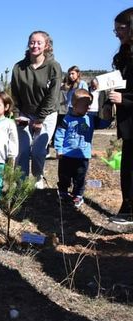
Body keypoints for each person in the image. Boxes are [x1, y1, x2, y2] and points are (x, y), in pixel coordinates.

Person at [10, 31, 62, 189]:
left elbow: (53, 95)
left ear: (47, 45)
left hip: (47, 114)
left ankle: (38, 177)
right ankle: (21, 184)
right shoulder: (19, 67)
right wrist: (17, 114)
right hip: (25, 113)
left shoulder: (53, 66)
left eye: (39, 42)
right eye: (32, 42)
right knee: (23, 150)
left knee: (39, 151)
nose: (35, 45)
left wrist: (40, 119)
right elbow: (15, 93)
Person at [54, 89, 112, 208]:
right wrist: (59, 149)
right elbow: (59, 134)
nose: (88, 107)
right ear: (74, 106)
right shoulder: (66, 119)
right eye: (85, 105)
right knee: (64, 175)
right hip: (66, 155)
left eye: (89, 104)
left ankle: (78, 195)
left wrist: (108, 116)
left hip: (82, 156)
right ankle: (63, 192)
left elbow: (104, 124)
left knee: (79, 177)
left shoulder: (90, 119)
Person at [108, 7, 133, 224]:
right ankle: (127, 208)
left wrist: (123, 100)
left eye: (121, 29)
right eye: (115, 30)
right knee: (127, 168)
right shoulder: (125, 55)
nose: (117, 33)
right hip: (128, 122)